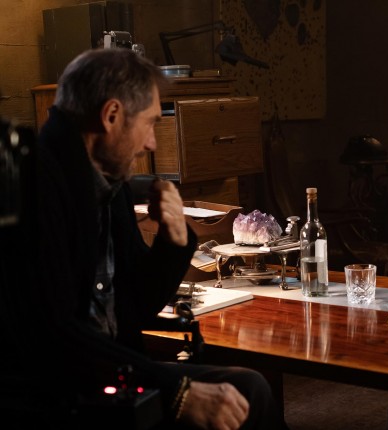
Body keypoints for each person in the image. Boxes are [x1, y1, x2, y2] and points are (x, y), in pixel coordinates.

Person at [0, 48, 286, 429]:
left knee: (249, 389)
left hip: (115, 373)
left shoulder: (109, 183)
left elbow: (136, 306)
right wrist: (177, 391)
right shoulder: (34, 188)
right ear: (111, 116)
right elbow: (53, 336)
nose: (151, 142)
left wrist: (173, 241)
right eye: (150, 123)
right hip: (61, 393)